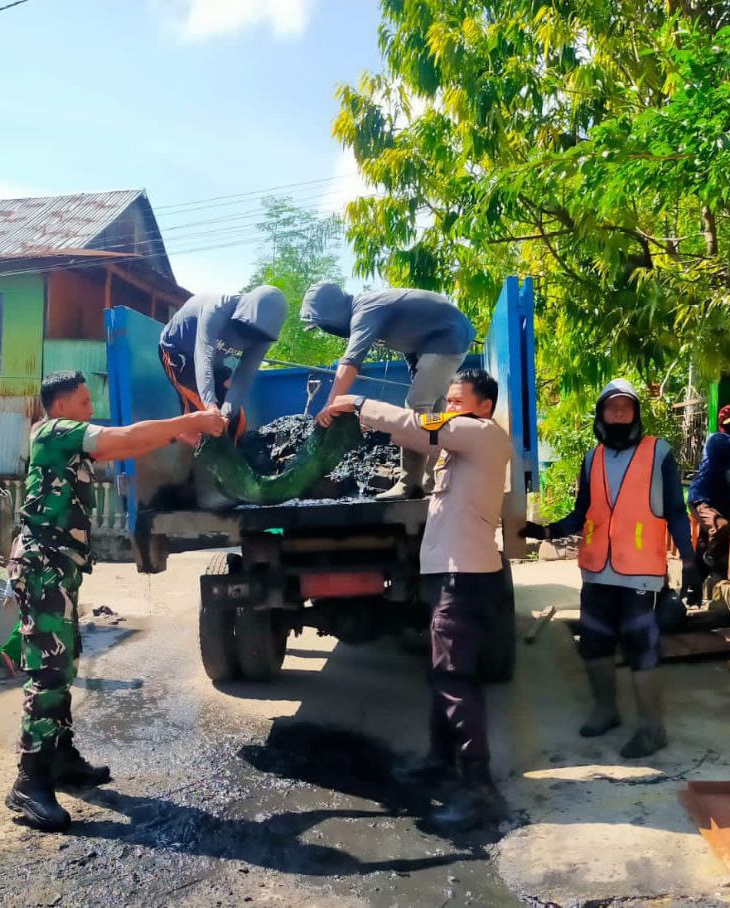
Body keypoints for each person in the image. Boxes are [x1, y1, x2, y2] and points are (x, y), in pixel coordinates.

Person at [6, 370, 227, 832]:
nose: (91, 410)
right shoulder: (52, 431)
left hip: (57, 566)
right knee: (48, 671)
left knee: (64, 662)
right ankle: (29, 782)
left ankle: (61, 759)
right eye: (84, 402)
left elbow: (125, 445)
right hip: (43, 564)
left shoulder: (68, 442)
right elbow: (120, 439)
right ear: (61, 406)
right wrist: (190, 421)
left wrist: (175, 433)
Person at [320, 368, 512, 829]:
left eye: (457, 400)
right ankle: (440, 762)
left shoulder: (481, 433)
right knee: (443, 673)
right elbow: (419, 436)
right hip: (452, 573)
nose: (449, 407)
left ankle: (481, 790)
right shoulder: (460, 444)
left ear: (484, 406)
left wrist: (358, 403)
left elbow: (417, 424)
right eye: (448, 400)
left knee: (455, 680)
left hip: (462, 577)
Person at [523, 380, 699, 759]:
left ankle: (653, 729)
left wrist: (689, 559)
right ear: (601, 413)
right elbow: (583, 513)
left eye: (626, 407)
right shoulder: (593, 458)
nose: (619, 412)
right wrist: (546, 532)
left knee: (640, 646)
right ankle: (606, 710)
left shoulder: (659, 453)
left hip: (640, 573)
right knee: (594, 641)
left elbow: (675, 512)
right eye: (612, 407)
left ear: (635, 413)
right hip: (597, 570)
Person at [304, 283, 476, 500]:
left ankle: (409, 484)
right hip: (447, 334)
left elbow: (350, 362)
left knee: (416, 406)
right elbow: (411, 342)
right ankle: (433, 479)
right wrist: (416, 375)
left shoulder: (364, 310)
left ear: (333, 312)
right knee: (434, 408)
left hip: (448, 335)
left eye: (323, 325)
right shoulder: (369, 307)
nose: (325, 330)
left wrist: (330, 405)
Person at [159, 286, 287, 440]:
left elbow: (244, 376)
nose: (250, 337)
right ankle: (184, 439)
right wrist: (210, 406)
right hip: (178, 354)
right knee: (204, 416)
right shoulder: (216, 309)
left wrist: (226, 414)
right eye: (248, 328)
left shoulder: (264, 338)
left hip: (215, 363)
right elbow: (204, 359)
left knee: (236, 421)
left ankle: (231, 452)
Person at [684, 404, 730, 603]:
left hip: (718, 503)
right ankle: (710, 559)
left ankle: (692, 591)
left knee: (704, 544)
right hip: (701, 498)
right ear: (723, 426)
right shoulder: (717, 440)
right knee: (720, 528)